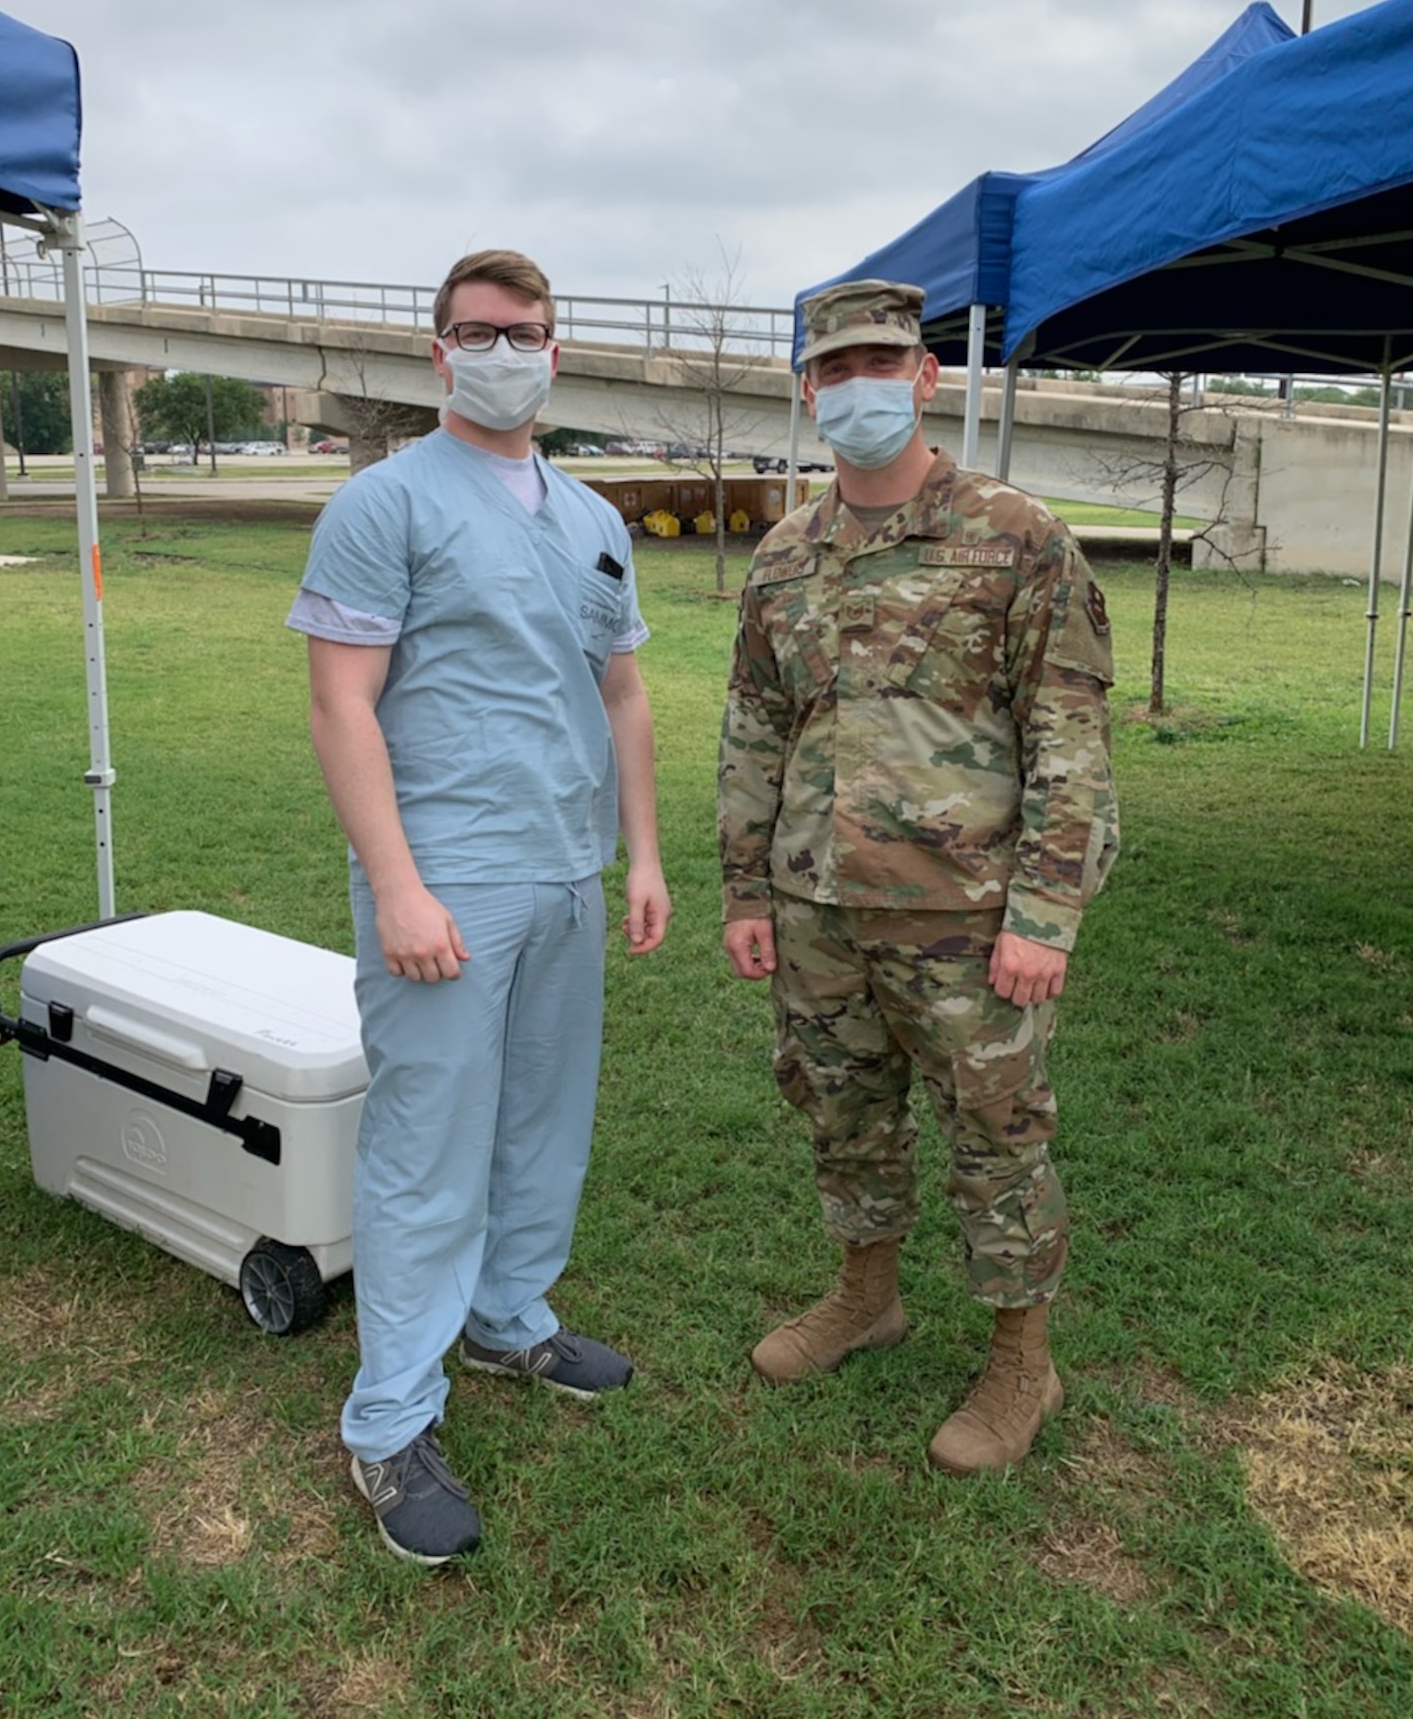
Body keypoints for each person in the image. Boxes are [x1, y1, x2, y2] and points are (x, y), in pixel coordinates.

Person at [288, 248, 670, 1564]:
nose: (502, 350)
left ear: (557, 350)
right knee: (426, 1148)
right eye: (476, 331)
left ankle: (511, 1319)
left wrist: (644, 858)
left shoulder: (593, 519)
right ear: (440, 351)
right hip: (444, 878)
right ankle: (387, 1421)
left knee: (542, 1122)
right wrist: (397, 884)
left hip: (566, 876)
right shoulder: (385, 505)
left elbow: (620, 695)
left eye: (525, 331)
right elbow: (343, 704)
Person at [718, 279, 1117, 1476]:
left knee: (996, 1134)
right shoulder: (786, 555)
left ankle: (1019, 1361)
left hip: (968, 914)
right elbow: (753, 732)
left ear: (927, 375)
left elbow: (1069, 736)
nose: (857, 388)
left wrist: (1045, 912)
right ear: (806, 391)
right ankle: (865, 1295)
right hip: (818, 907)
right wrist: (747, 889)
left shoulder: (1016, 534)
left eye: (880, 362)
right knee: (842, 1114)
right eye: (833, 370)